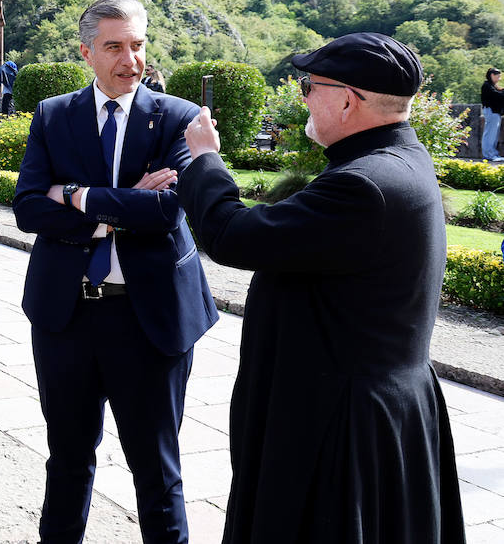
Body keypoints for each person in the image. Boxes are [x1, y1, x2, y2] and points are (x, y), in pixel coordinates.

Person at [178, 32, 465, 544]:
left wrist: (204, 159)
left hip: (341, 422)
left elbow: (232, 236)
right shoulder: (400, 161)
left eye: (310, 85)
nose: (303, 95)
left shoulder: (364, 184)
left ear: (348, 100)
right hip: (369, 403)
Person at [12, 0, 217, 544]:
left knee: (156, 470)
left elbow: (167, 210)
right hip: (67, 315)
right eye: (115, 47)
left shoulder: (178, 118)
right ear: (86, 52)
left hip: (150, 320)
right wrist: (121, 204)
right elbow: (28, 207)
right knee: (68, 460)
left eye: (138, 44)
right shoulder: (54, 115)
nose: (131, 59)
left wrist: (77, 196)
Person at [481, 67, 504, 162]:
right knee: (490, 135)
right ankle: (489, 155)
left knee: (493, 134)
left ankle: (492, 154)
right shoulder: (487, 86)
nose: (499, 79)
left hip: (494, 113)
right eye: (497, 76)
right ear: (492, 75)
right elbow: (497, 96)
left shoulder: (491, 85)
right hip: (491, 112)